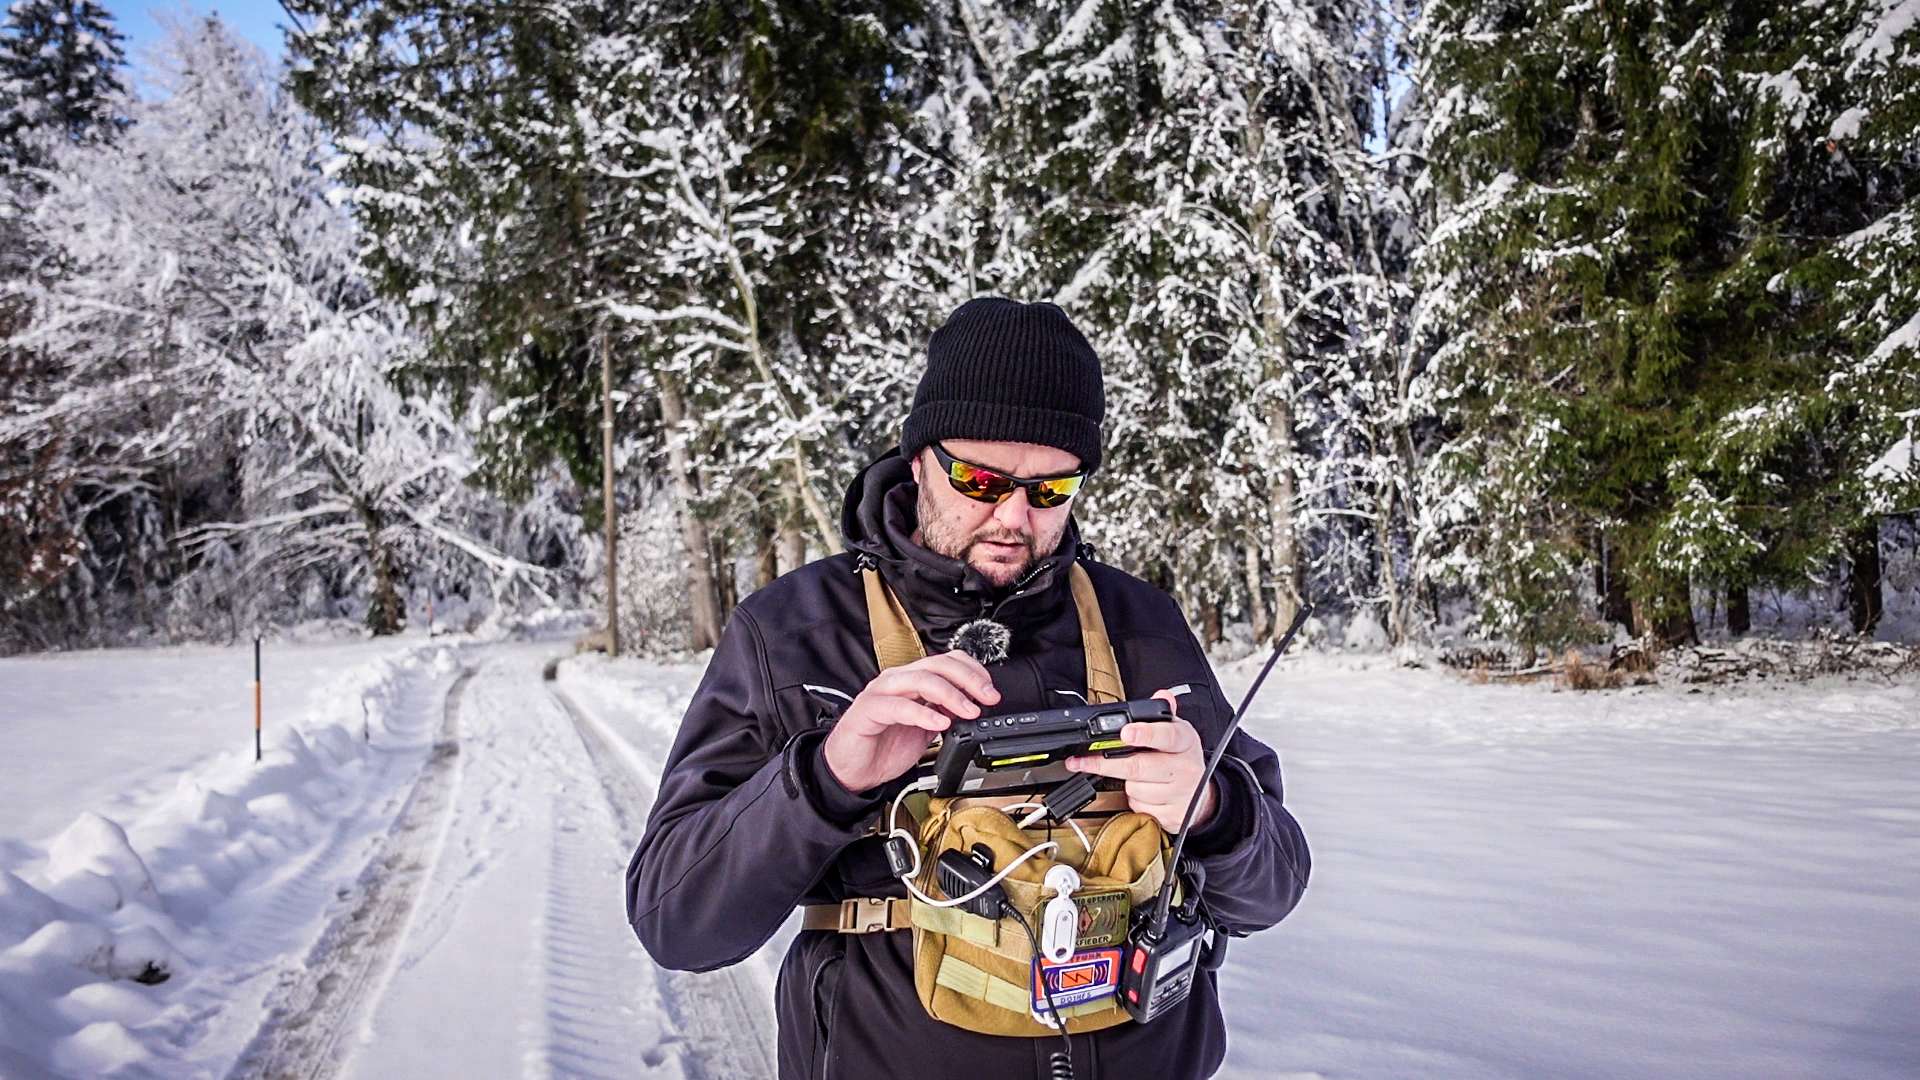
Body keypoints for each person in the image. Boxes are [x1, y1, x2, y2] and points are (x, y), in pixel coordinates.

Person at [625, 297, 1310, 1080]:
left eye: (1051, 489)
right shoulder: (793, 631)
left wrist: (1215, 810)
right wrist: (826, 777)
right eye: (981, 480)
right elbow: (675, 922)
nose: (1013, 516)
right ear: (919, 458)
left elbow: (1273, 891)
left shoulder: (1142, 624)